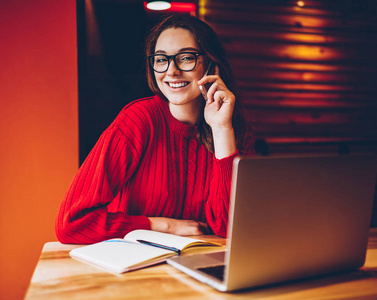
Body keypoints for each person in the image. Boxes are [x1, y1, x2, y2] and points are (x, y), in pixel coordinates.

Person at [55, 14, 254, 244]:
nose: (172, 71)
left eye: (186, 57)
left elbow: (231, 229)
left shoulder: (232, 129)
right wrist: (163, 225)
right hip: (136, 269)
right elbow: (71, 223)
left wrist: (221, 129)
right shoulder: (138, 120)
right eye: (161, 59)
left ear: (212, 64)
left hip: (201, 266)